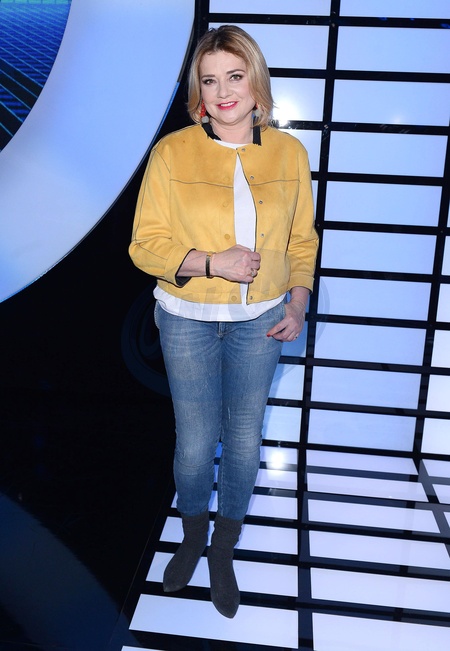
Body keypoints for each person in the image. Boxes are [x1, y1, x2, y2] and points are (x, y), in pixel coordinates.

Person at [129, 25, 318, 618]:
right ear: (198, 92)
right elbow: (144, 246)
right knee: (194, 444)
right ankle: (191, 536)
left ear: (256, 81)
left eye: (234, 76)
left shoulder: (289, 153)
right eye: (209, 81)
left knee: (242, 440)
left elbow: (302, 241)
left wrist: (297, 303)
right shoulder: (171, 152)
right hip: (185, 318)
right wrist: (213, 262)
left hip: (260, 320)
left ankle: (223, 548)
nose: (223, 92)